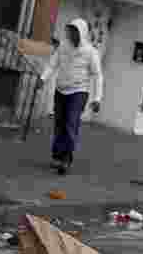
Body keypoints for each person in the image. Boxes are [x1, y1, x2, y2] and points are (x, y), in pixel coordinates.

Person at [40, 18, 103, 175]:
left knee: (70, 124)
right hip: (60, 90)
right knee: (59, 124)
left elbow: (97, 75)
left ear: (82, 33)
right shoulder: (63, 46)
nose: (73, 35)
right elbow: (52, 64)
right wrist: (43, 79)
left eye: (76, 32)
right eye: (71, 31)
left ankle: (66, 159)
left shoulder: (90, 52)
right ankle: (58, 155)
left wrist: (97, 98)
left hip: (79, 92)